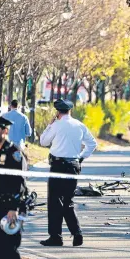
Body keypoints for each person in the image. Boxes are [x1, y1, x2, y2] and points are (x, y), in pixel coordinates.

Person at [40, 99, 97, 247]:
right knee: (68, 201)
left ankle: (56, 237)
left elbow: (43, 142)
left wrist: (49, 125)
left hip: (58, 166)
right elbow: (92, 144)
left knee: (54, 202)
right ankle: (77, 233)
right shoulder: (79, 125)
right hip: (73, 166)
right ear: (70, 110)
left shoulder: (56, 125)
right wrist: (81, 157)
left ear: (58, 112)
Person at [0, 115, 28, 259]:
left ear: (5, 131)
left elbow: (19, 182)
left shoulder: (14, 152)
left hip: (11, 206)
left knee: (9, 247)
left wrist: (13, 207)